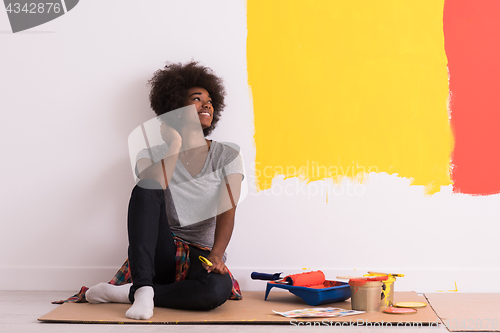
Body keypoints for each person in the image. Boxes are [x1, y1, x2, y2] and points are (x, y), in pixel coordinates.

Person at [85, 61, 244, 320]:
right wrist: (175, 145)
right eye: (197, 99)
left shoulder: (228, 155)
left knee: (215, 291)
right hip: (162, 253)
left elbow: (228, 207)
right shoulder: (150, 154)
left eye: (210, 101)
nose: (207, 105)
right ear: (176, 111)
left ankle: (133, 293)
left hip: (202, 256)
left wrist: (216, 255)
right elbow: (147, 194)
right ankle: (145, 286)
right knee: (146, 186)